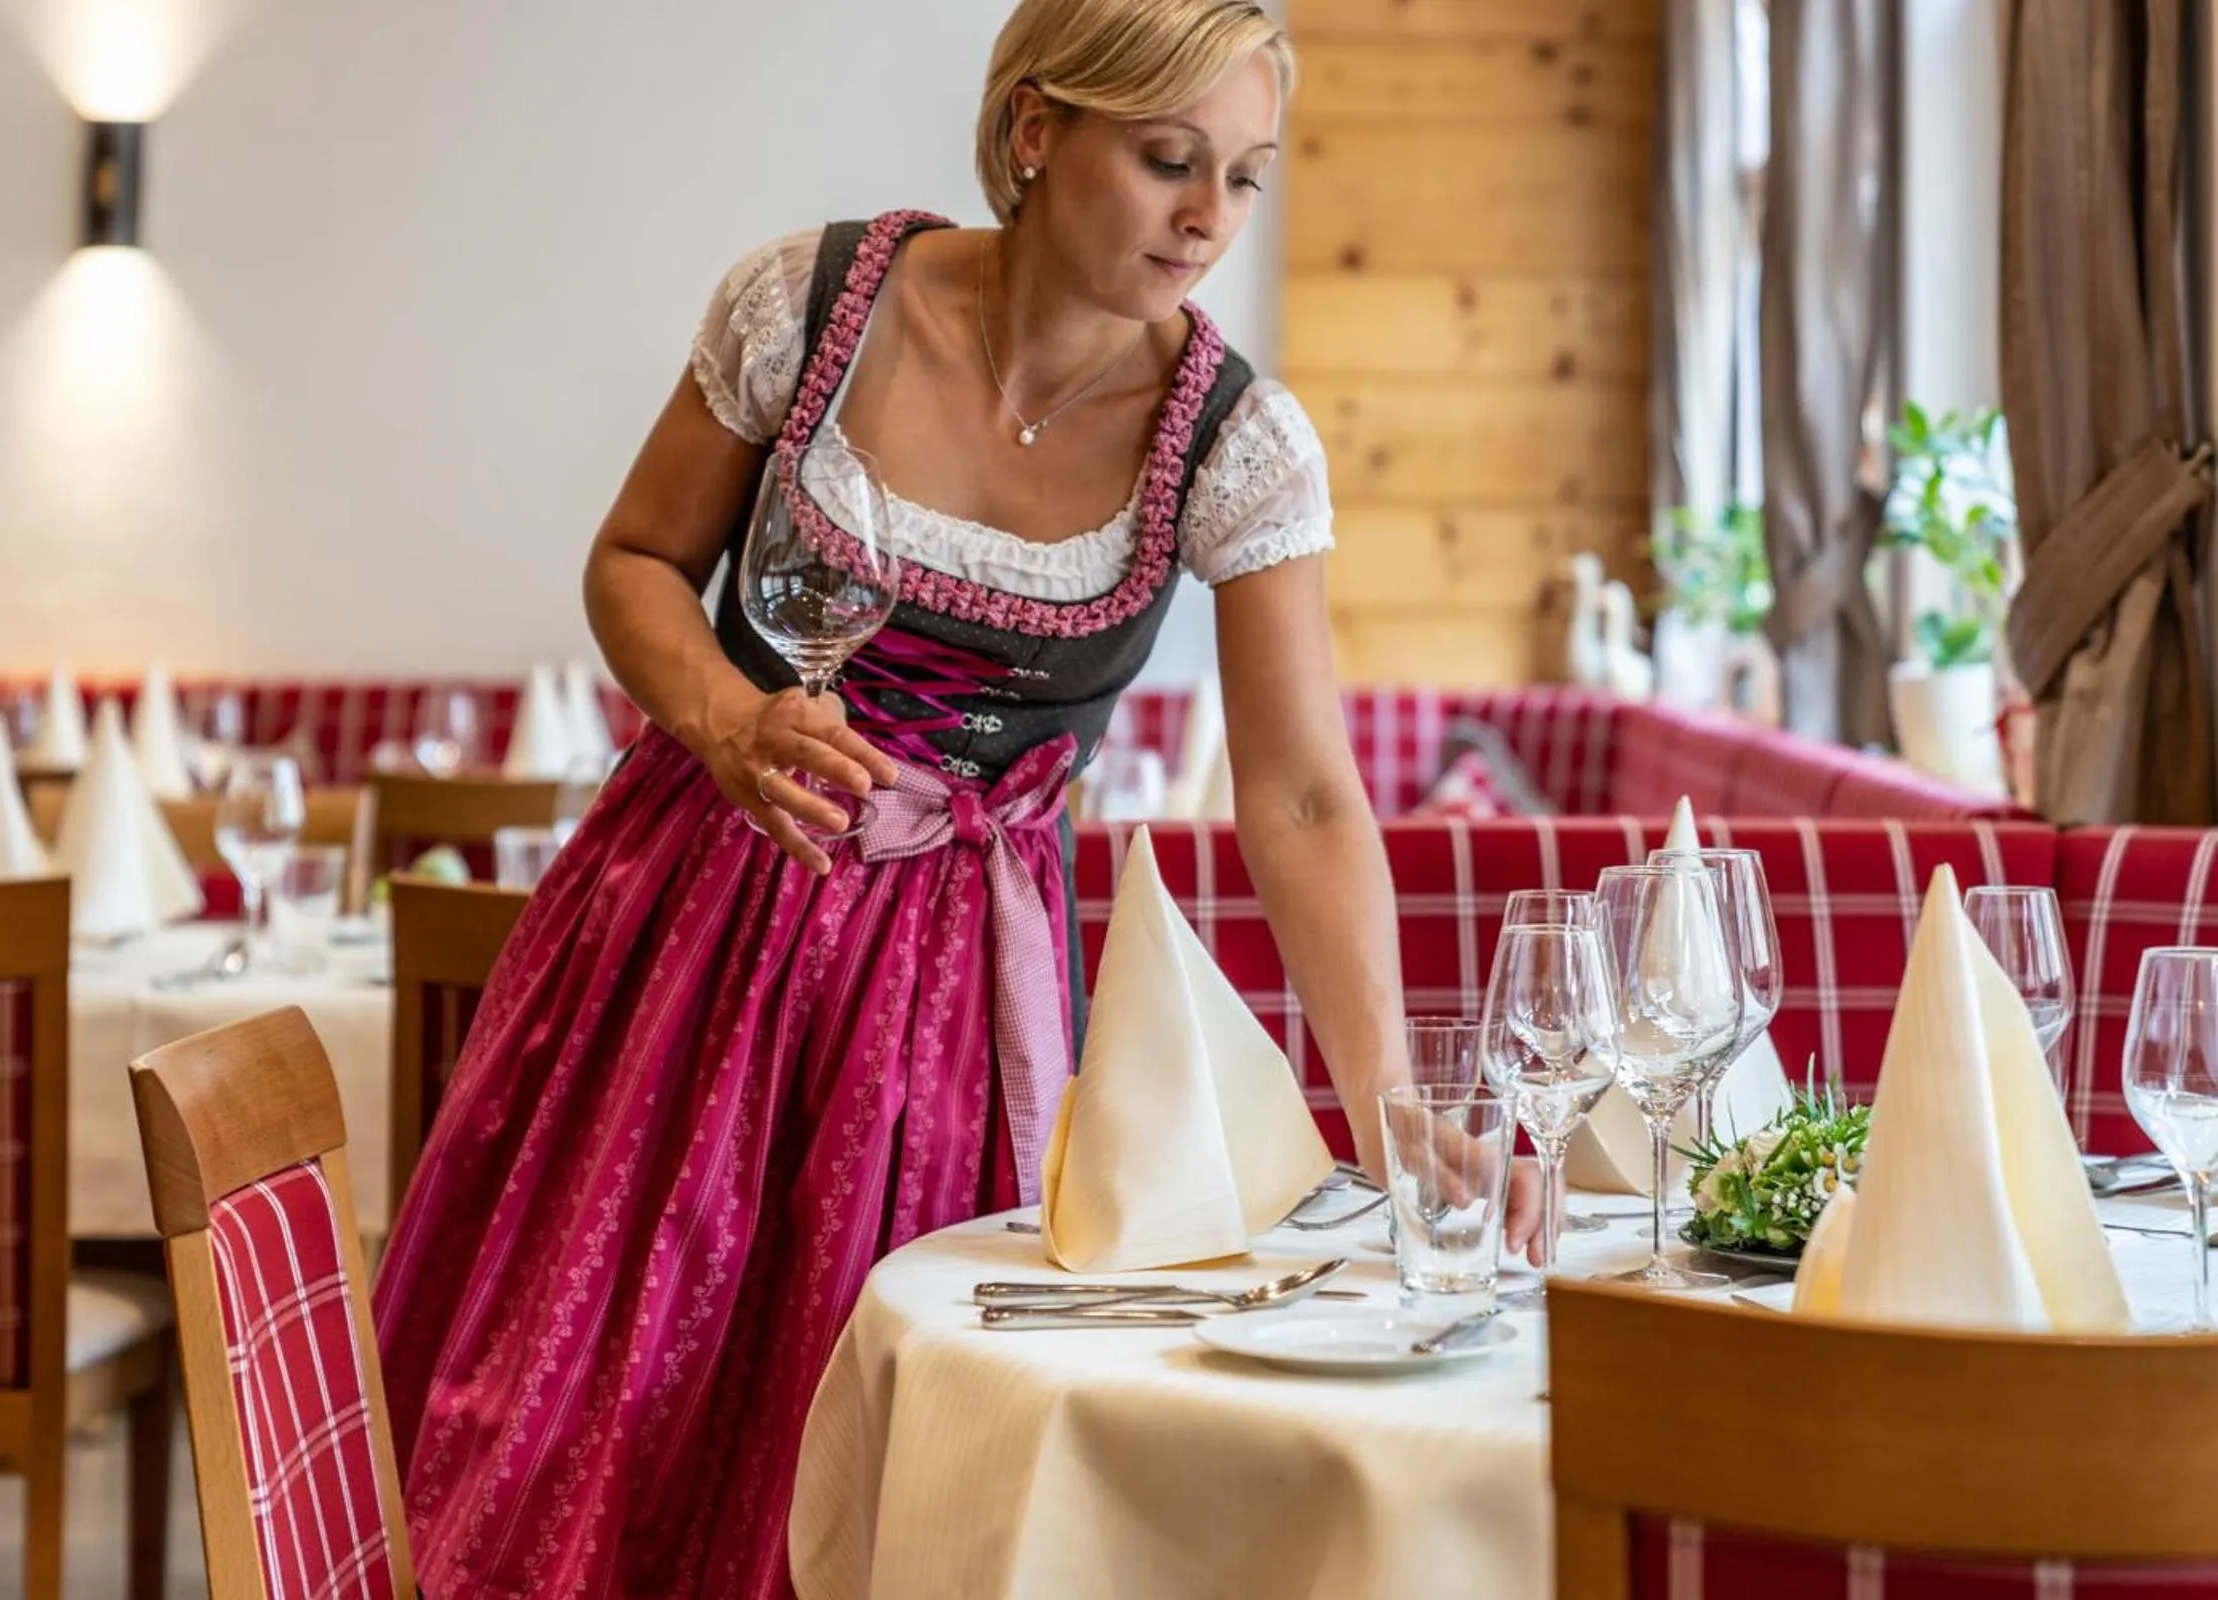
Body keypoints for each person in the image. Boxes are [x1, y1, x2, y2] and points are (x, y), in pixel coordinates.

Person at [373, 2, 1541, 1593]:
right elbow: (635, 560)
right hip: (689, 937)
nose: (1209, 217)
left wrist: (1392, 1105)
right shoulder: (810, 307)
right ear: (1036, 130)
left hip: (952, 1002)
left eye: (1246, 177)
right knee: (592, 1403)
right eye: (1170, 159)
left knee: (874, 1430)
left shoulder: (1236, 443)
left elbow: (1306, 800)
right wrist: (728, 720)